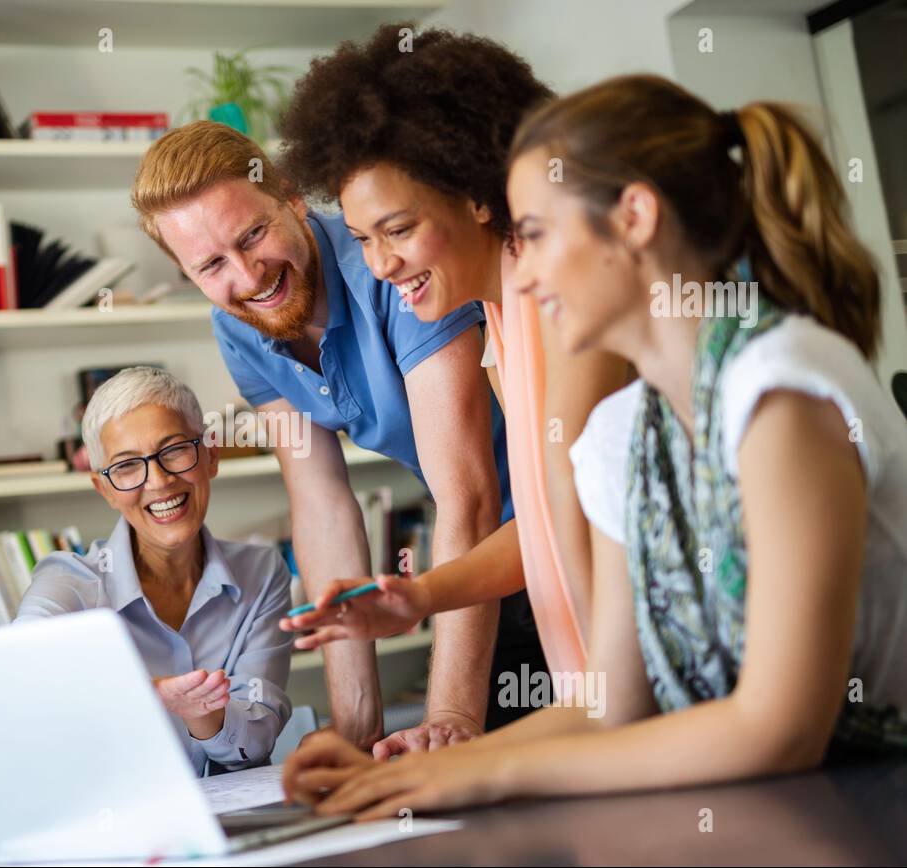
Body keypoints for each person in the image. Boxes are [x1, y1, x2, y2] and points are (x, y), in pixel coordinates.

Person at [282, 74, 907, 818]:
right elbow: (609, 703)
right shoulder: (618, 439)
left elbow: (780, 729)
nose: (527, 268)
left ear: (635, 217)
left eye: (536, 233)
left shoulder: (779, 391)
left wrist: (478, 776)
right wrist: (421, 766)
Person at [273, 25, 632, 715]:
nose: (379, 266)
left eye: (399, 230)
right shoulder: (497, 320)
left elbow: (573, 519)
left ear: (476, 193)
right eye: (361, 239)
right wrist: (421, 596)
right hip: (594, 701)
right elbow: (542, 524)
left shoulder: (561, 300)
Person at [132, 118, 516, 753]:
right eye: (210, 265)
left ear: (289, 195)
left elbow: (466, 495)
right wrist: (356, 735)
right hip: (477, 562)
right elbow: (322, 506)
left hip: (548, 536)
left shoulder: (389, 267)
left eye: (252, 234)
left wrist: (449, 716)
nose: (248, 275)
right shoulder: (239, 330)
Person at [16, 366, 293, 775]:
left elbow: (256, 739)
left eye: (175, 450)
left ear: (210, 454)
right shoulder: (67, 583)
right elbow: (22, 682)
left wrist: (199, 712)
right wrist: (155, 694)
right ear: (104, 489)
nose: (159, 481)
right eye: (127, 466)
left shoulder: (262, 572)